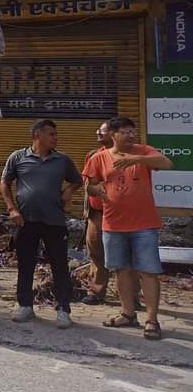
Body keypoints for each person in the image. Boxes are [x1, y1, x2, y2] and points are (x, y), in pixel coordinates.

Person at [83, 117, 173, 341]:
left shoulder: (144, 151)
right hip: (113, 224)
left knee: (149, 272)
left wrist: (138, 159)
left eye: (132, 131)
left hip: (144, 224)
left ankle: (152, 320)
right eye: (125, 131)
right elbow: (90, 185)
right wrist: (97, 190)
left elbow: (167, 164)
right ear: (113, 135)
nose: (131, 135)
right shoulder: (99, 157)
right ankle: (128, 314)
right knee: (121, 270)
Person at [0, 119, 83, 329]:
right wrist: (11, 209)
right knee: (25, 264)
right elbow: (5, 183)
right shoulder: (18, 157)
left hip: (54, 221)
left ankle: (63, 309)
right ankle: (25, 305)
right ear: (37, 135)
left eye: (55, 134)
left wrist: (69, 191)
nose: (56, 138)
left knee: (60, 265)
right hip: (25, 220)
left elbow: (77, 180)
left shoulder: (62, 160)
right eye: (51, 134)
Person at [82, 121, 114, 305]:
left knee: (127, 255)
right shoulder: (93, 155)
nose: (98, 133)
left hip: (122, 214)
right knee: (96, 253)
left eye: (102, 131)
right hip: (96, 213)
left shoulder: (130, 156)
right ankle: (96, 292)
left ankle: (132, 296)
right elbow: (88, 184)